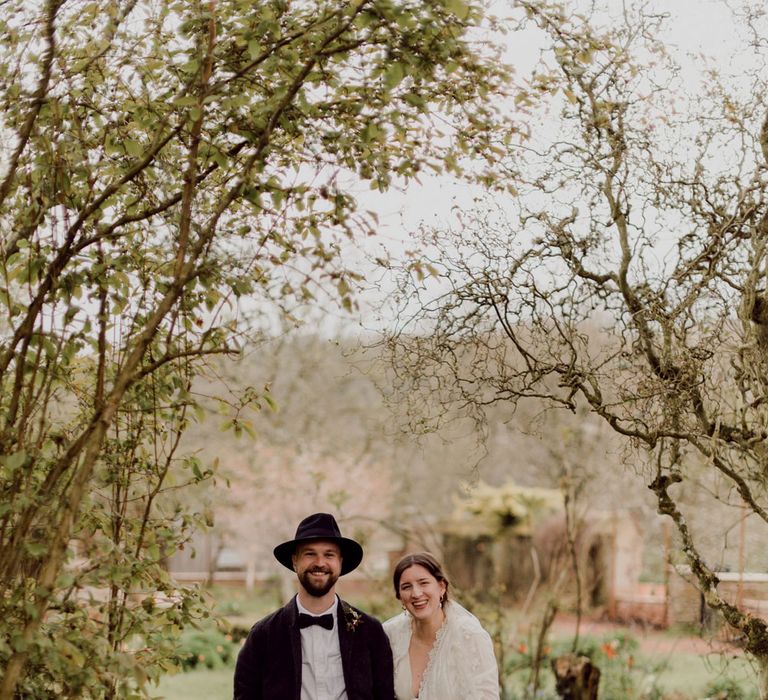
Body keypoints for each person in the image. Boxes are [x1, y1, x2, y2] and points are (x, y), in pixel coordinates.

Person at [234, 512, 394, 699]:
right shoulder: (263, 634)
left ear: (340, 562)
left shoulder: (370, 631)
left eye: (329, 554)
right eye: (310, 554)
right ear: (295, 561)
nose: (320, 563)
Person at [382, 552, 499, 700]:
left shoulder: (469, 636)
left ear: (441, 587)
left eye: (423, 583)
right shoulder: (389, 635)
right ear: (399, 597)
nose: (416, 593)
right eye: (406, 587)